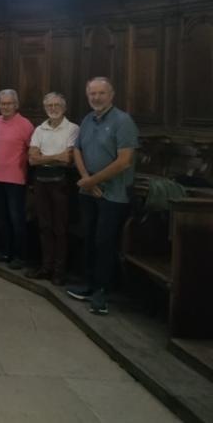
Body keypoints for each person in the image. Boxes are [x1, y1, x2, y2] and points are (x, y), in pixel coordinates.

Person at [68, 78, 138, 316]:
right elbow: (77, 149)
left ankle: (102, 292)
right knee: (88, 237)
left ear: (112, 94)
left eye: (101, 93)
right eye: (92, 94)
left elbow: (124, 160)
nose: (96, 98)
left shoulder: (123, 121)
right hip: (88, 190)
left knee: (104, 242)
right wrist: (87, 179)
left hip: (114, 194)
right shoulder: (88, 119)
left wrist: (93, 181)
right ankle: (88, 284)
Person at [27, 92, 79, 285]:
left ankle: (59, 271)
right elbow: (32, 159)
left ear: (64, 108)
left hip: (61, 183)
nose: (53, 108)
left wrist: (44, 158)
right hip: (41, 181)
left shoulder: (73, 128)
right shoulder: (40, 129)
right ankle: (45, 267)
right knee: (44, 226)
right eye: (49, 106)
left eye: (57, 105)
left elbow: (68, 159)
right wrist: (55, 157)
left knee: (60, 228)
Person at [0, 89, 34, 269]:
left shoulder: (25, 125)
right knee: (0, 217)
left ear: (16, 105)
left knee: (17, 219)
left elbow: (32, 151)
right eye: (2, 104)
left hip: (16, 179)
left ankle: (20, 256)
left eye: (9, 104)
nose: (5, 107)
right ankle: (5, 252)